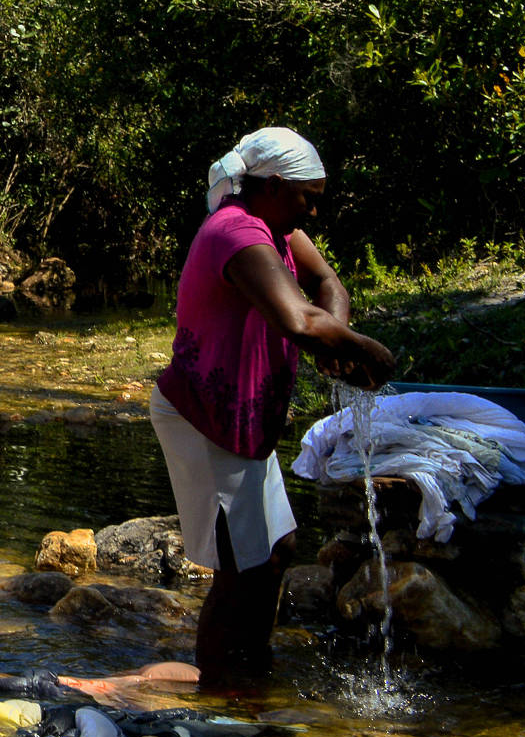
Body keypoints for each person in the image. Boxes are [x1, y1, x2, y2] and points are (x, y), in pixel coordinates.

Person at [151, 127, 394, 685]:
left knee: (277, 550)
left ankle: (250, 673)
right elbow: (298, 319)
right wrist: (364, 351)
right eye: (308, 196)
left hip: (241, 421)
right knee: (241, 572)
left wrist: (336, 336)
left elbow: (325, 282)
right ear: (276, 185)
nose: (313, 209)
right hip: (203, 419)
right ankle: (221, 691)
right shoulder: (235, 233)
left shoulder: (279, 231)